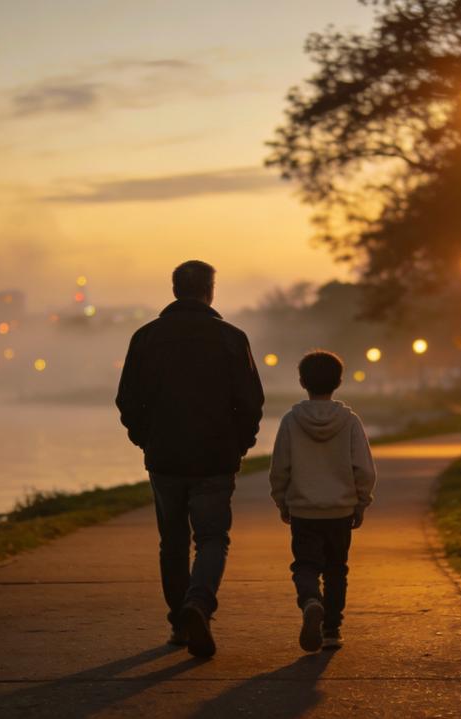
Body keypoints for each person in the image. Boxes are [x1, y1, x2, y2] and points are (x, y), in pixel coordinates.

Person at [115, 260, 265, 658]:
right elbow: (251, 401)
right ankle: (198, 603)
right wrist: (240, 444)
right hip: (215, 456)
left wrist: (145, 439)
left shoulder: (146, 338)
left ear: (174, 289)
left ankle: (180, 625)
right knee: (212, 538)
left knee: (173, 542)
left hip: (165, 457)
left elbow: (127, 399)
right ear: (209, 291)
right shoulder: (232, 338)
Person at [268, 350, 376, 652]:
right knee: (336, 570)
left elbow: (280, 468)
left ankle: (310, 600)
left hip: (304, 509)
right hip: (339, 510)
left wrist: (282, 501)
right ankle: (331, 630)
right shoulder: (350, 421)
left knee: (305, 565)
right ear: (339, 381)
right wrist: (360, 502)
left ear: (302, 381)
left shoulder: (290, 421)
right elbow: (364, 468)